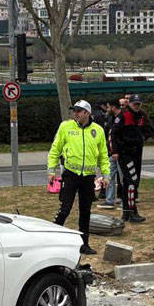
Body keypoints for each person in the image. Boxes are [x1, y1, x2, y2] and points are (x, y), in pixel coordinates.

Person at [47, 100, 110, 256]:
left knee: (85, 211)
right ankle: (52, 241)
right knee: (65, 209)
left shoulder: (98, 130)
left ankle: (84, 244)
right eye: (74, 110)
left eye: (78, 111)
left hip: (88, 177)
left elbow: (103, 155)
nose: (75, 113)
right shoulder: (66, 127)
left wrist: (106, 175)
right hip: (70, 174)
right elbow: (55, 149)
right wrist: (51, 170)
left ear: (87, 113)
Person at [111, 94, 151, 223]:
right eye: (135, 103)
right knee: (131, 182)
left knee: (131, 182)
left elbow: (149, 129)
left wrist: (142, 138)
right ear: (130, 104)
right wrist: (115, 151)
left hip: (137, 153)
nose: (137, 106)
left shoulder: (142, 115)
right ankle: (132, 211)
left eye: (139, 103)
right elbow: (113, 134)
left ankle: (127, 212)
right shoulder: (123, 115)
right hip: (125, 153)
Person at [98, 100, 120, 208]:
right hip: (111, 152)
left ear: (113, 107)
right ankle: (110, 200)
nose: (107, 110)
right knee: (109, 175)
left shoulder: (121, 118)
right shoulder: (111, 119)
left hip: (120, 153)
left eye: (108, 107)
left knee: (123, 178)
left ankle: (125, 200)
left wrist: (117, 150)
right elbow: (109, 135)